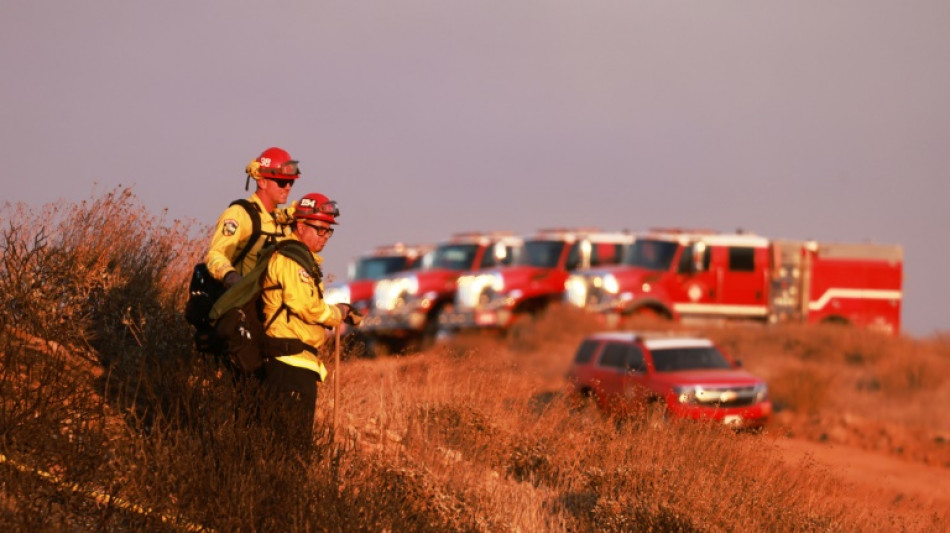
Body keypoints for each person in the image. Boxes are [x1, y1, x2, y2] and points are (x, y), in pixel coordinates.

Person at [258, 192, 356, 447]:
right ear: (301, 226)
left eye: (328, 231)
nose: (325, 237)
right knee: (290, 447)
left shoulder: (301, 259)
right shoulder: (292, 260)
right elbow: (305, 306)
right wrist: (337, 315)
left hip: (298, 361)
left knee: (293, 444)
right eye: (320, 229)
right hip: (289, 362)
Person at [205, 146, 301, 289]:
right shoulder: (240, 215)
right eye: (281, 182)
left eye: (291, 182)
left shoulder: (282, 221)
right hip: (243, 303)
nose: (288, 187)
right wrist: (230, 277)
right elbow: (216, 254)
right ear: (262, 181)